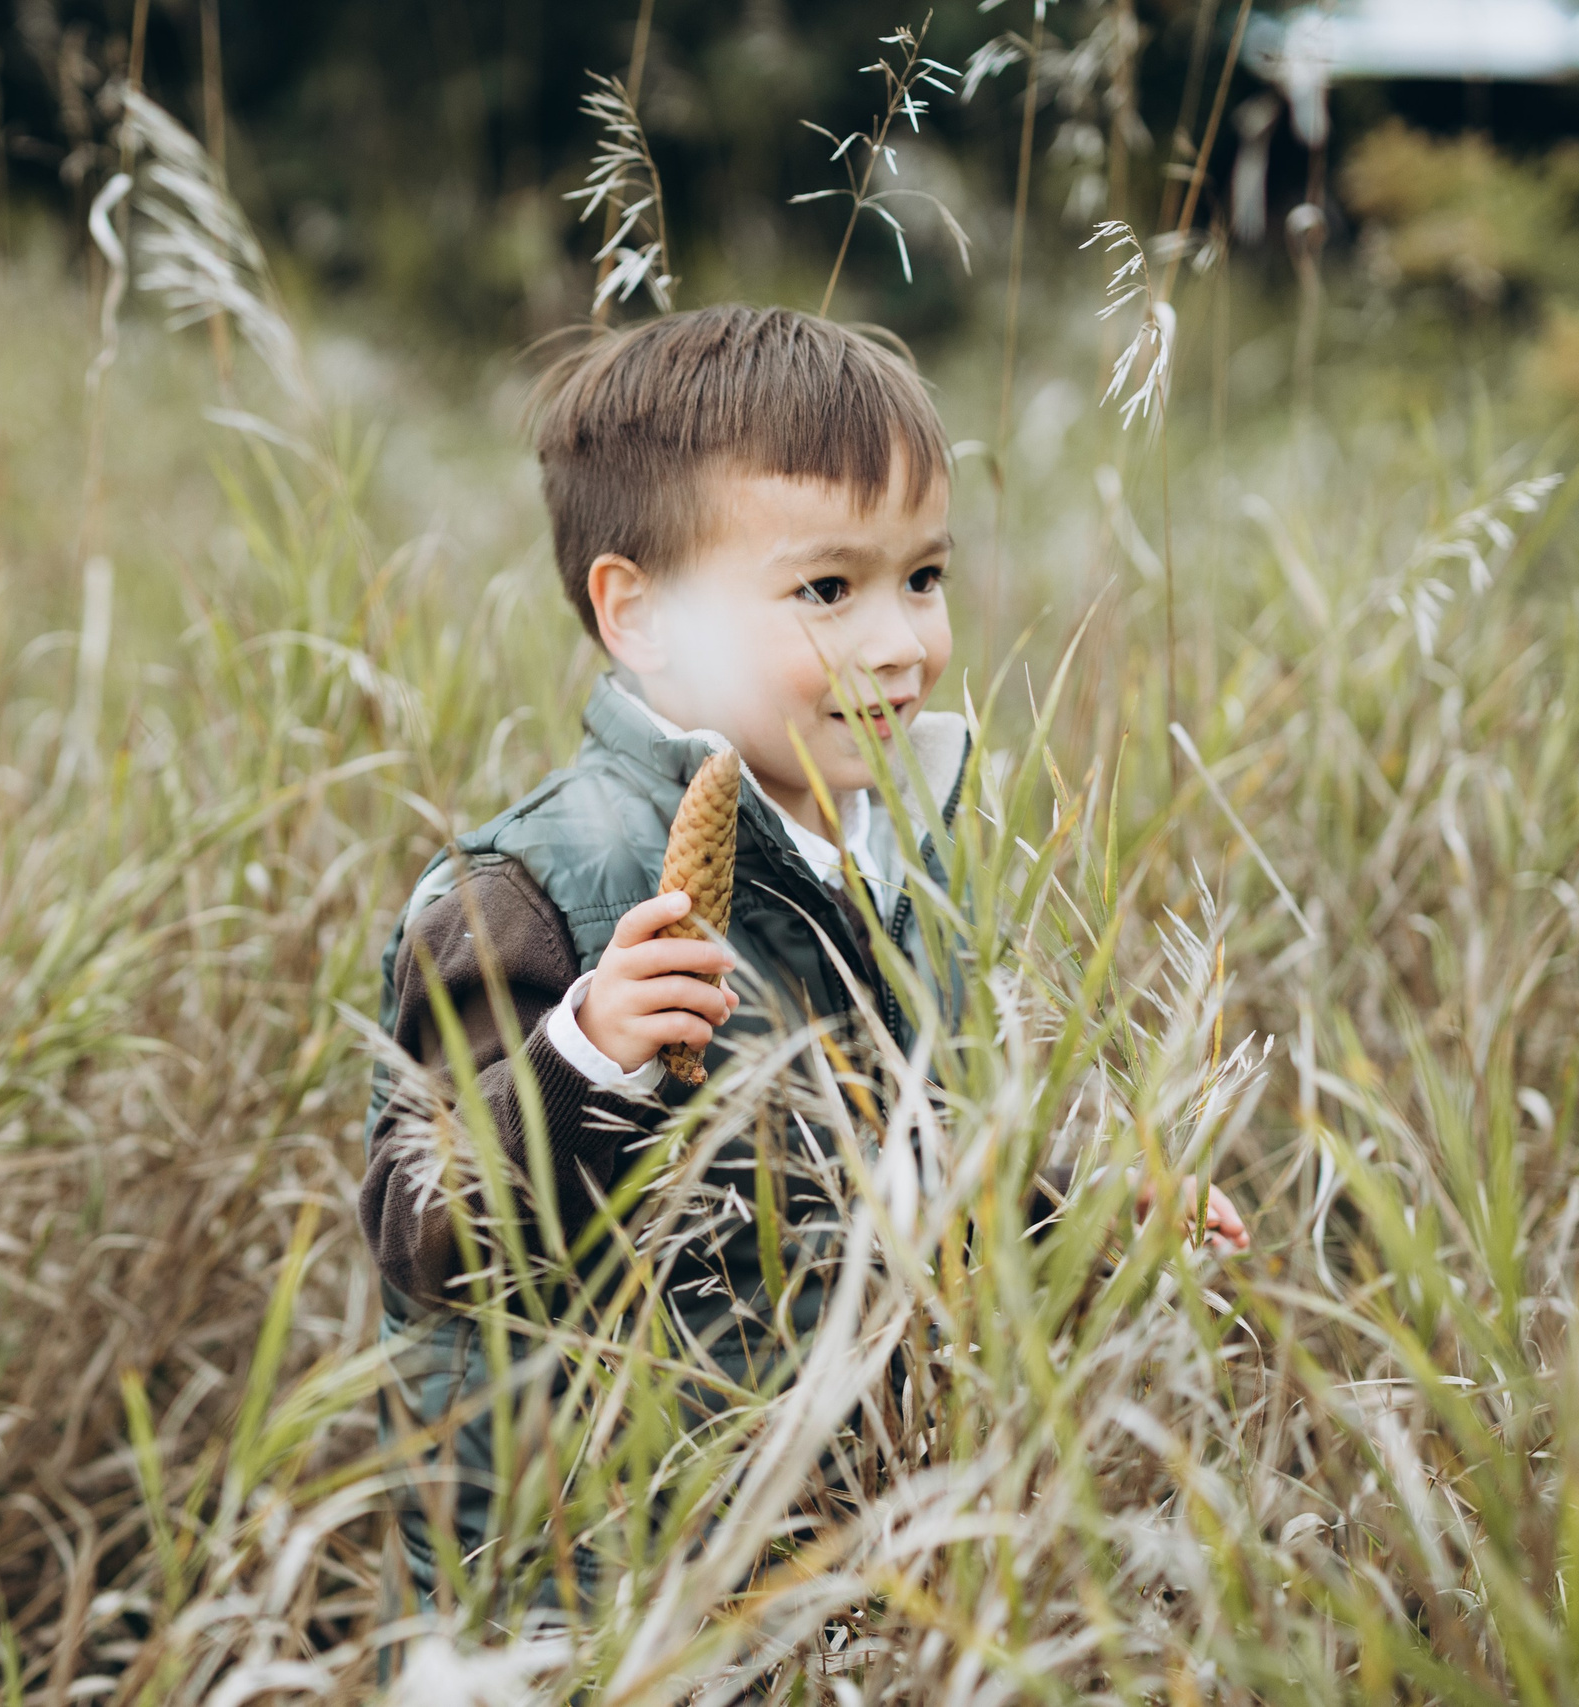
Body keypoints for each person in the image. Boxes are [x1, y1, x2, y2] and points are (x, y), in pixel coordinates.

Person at [359, 304, 1246, 1608]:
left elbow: (913, 1154)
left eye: (924, 578)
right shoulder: (537, 893)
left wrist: (1086, 1215)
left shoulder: (906, 858)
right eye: (827, 590)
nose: (901, 643)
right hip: (595, 1601)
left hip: (835, 1570)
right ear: (640, 615)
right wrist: (584, 1059)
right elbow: (423, 1232)